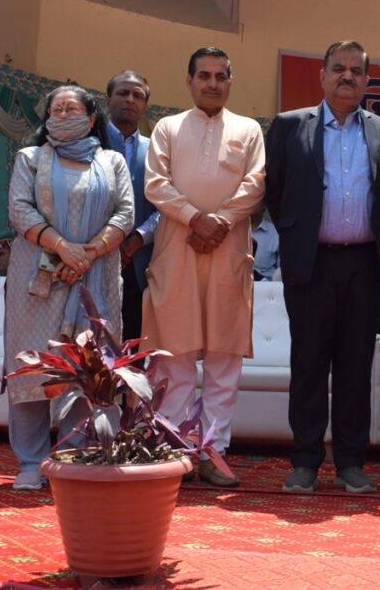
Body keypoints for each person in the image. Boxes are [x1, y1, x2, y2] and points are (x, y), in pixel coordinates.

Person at [265, 40, 380, 493]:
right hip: (311, 264)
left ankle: (350, 462)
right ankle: (305, 461)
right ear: (322, 76)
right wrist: (298, 233)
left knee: (355, 366)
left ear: (366, 80)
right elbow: (275, 190)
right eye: (338, 68)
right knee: (307, 363)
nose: (347, 76)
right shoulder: (289, 126)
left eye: (356, 70)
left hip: (364, 264)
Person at [141, 47, 265, 488]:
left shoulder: (249, 129)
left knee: (223, 360)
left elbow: (256, 184)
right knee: (174, 357)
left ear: (230, 81)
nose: (212, 83)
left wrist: (219, 223)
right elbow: (155, 184)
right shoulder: (168, 127)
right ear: (189, 81)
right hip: (177, 249)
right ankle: (175, 451)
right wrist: (196, 219)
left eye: (220, 76)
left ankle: (214, 452)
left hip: (228, 252)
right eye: (204, 76)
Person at [5, 85, 134, 491]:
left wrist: (88, 253)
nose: (62, 115)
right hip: (38, 280)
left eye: (71, 109)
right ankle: (30, 462)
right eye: (55, 110)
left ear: (91, 118)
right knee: (33, 369)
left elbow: (126, 213)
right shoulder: (30, 158)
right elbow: (19, 209)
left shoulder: (112, 161)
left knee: (87, 368)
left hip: (97, 277)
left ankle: (73, 456)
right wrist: (63, 247)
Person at [106, 71, 159, 341]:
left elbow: (167, 205)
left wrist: (138, 238)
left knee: (133, 352)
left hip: (139, 263)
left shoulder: (157, 150)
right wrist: (109, 241)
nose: (130, 99)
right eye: (123, 93)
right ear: (107, 101)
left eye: (137, 95)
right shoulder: (88, 144)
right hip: (94, 261)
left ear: (145, 107)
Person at [251, 208, 280, 281]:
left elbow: (282, 270)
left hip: (265, 284)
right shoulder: (233, 229)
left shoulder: (275, 232)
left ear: (263, 205)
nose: (250, 205)